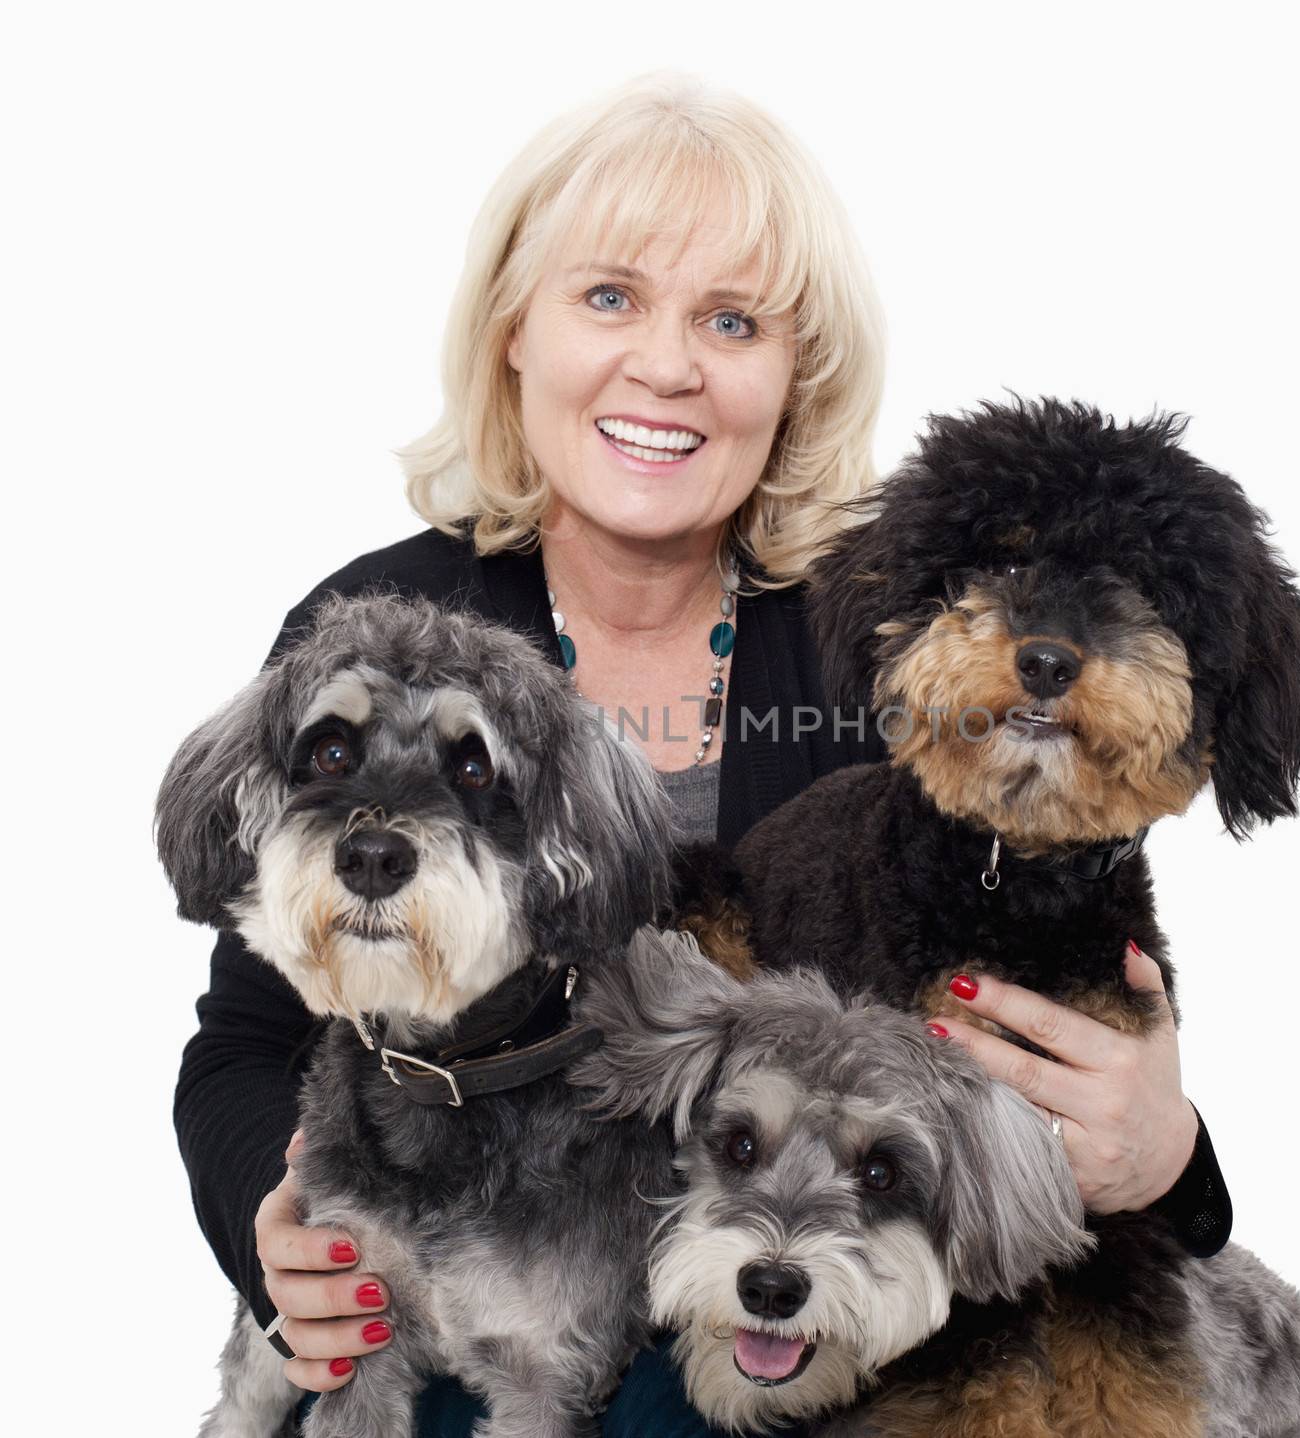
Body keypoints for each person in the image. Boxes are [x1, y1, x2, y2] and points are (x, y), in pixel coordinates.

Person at [173, 72, 1229, 1437]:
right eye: (608, 297)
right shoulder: (373, 631)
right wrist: (279, 1226)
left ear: (795, 376)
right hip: (462, 1286)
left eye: (731, 321)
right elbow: (245, 1040)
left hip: (786, 1313)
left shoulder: (879, 648)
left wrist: (1175, 1157)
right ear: (513, 329)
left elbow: (1048, 986)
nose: (667, 365)